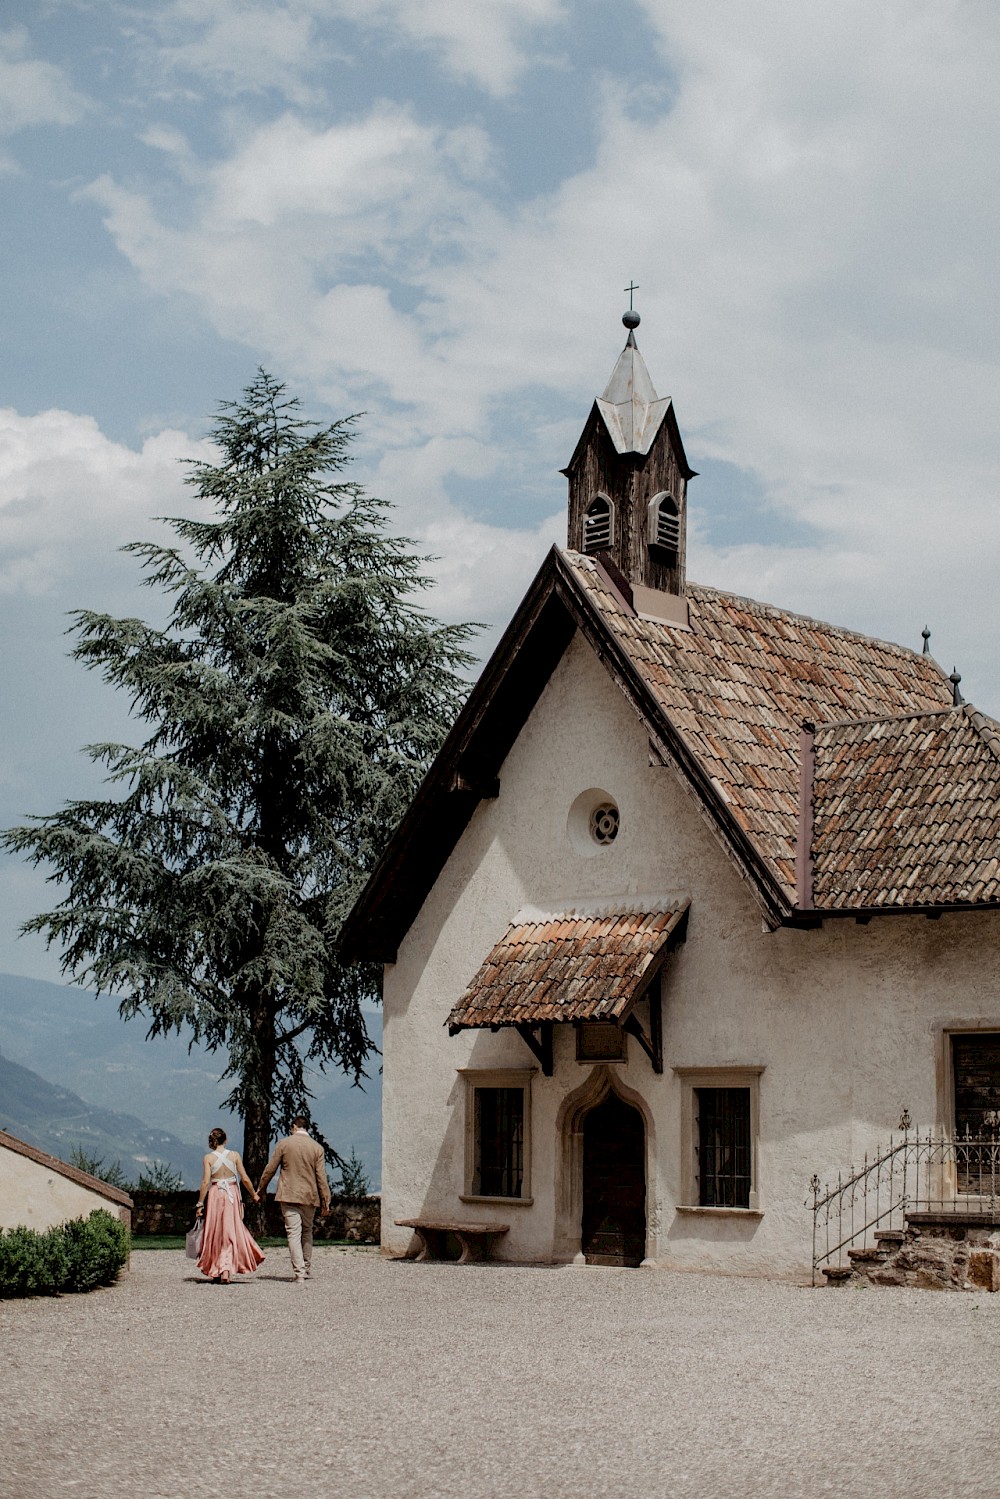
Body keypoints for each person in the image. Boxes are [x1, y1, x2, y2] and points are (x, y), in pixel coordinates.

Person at [257, 1116, 331, 1282]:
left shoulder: (284, 1143)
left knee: (293, 1233)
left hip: (288, 1194)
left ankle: (299, 1273)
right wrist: (326, 1201)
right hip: (309, 1196)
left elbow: (270, 1169)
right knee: (307, 1231)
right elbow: (321, 1177)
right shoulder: (317, 1148)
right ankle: (306, 1266)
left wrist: (261, 1189)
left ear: (294, 1127)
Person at [195, 1127, 266, 1284]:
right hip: (232, 1193)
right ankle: (226, 1269)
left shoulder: (208, 1158)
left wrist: (200, 1203)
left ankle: (217, 1268)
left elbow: (205, 1182)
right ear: (225, 1140)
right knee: (230, 1229)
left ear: (211, 1142)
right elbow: (245, 1178)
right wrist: (254, 1194)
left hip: (215, 1194)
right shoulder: (234, 1155)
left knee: (215, 1231)